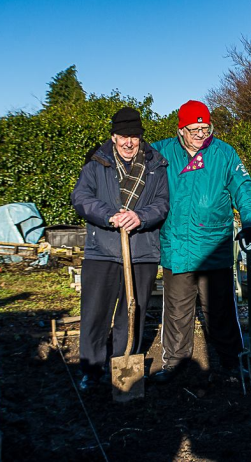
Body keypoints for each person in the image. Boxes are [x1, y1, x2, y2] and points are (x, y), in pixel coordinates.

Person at [151, 100, 251, 383]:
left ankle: (232, 362)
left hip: (214, 246)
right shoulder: (160, 152)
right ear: (181, 130)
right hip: (176, 247)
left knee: (220, 312)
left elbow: (244, 189)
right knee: (176, 313)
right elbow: (132, 171)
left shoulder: (224, 153)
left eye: (206, 128)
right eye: (195, 129)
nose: (202, 134)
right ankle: (175, 364)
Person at [71, 107, 170, 392]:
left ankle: (123, 367)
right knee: (95, 314)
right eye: (123, 136)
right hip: (102, 249)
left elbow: (163, 203)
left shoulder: (156, 166)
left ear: (140, 137)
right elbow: (80, 196)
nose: (129, 142)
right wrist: (109, 215)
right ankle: (91, 369)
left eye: (134, 136)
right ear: (113, 136)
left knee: (133, 313)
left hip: (142, 252)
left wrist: (141, 217)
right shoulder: (97, 164)